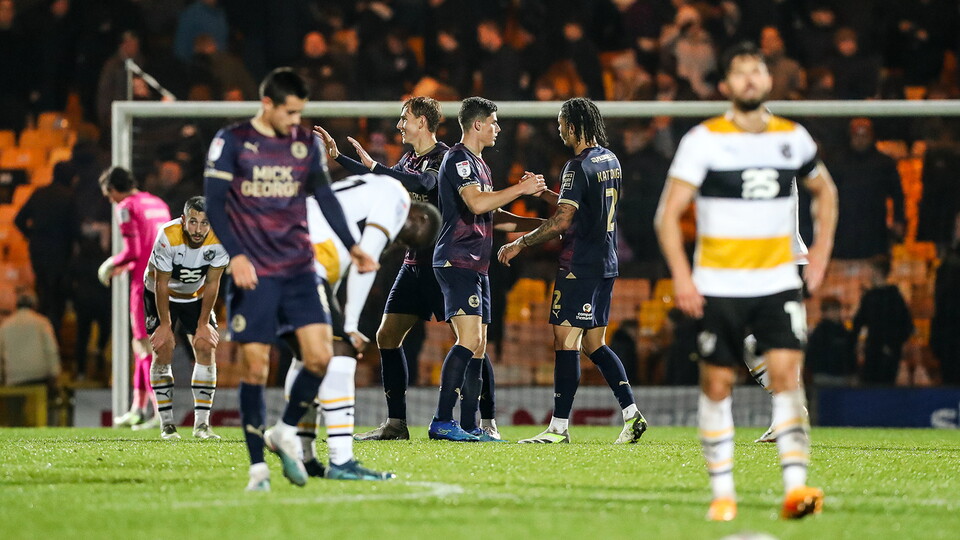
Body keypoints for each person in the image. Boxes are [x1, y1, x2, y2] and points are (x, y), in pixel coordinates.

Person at [655, 42, 838, 521]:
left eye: (758, 71)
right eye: (741, 73)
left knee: (787, 380)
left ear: (768, 80)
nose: (751, 80)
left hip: (777, 278)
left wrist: (818, 256)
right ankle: (723, 493)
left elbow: (827, 193)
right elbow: (668, 215)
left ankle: (796, 489)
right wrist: (682, 275)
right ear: (726, 85)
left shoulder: (792, 138)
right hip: (719, 282)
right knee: (716, 385)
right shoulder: (704, 139)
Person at [203, 67, 385, 492]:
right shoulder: (230, 142)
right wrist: (239, 256)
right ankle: (257, 471)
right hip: (255, 273)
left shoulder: (304, 143)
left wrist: (353, 245)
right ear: (267, 105)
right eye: (289, 113)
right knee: (255, 367)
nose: (295, 122)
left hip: (300, 269)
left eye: (300, 113)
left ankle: (285, 430)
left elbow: (324, 195)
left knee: (322, 356)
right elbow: (214, 206)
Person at [498, 97, 648, 445]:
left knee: (564, 342)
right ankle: (631, 414)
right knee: (594, 343)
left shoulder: (577, 165)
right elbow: (581, 207)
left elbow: (564, 221)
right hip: (606, 262)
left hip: (580, 263)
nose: (559, 128)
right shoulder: (610, 160)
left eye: (561, 122)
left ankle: (558, 428)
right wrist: (547, 193)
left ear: (574, 125)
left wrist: (521, 242)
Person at [313, 97, 453, 441]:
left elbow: (424, 185)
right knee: (386, 336)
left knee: (470, 340)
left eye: (404, 118)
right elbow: (385, 182)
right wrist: (339, 159)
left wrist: (377, 168)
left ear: (421, 121)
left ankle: (486, 420)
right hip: (412, 263)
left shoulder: (444, 156)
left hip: (443, 262)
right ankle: (396, 423)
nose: (399, 125)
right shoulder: (408, 159)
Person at [282, 173, 441, 477]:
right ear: (418, 217)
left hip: (285, 242)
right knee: (340, 348)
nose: (398, 240)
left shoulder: (368, 192)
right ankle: (339, 460)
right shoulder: (397, 199)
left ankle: (303, 453)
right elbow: (365, 259)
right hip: (304, 251)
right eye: (406, 238)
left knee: (305, 356)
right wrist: (351, 324)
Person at [428, 96, 546, 442]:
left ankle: (468, 426)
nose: (498, 128)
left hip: (476, 264)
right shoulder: (459, 160)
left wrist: (542, 223)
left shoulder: (480, 165)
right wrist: (522, 188)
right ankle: (440, 421)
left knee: (479, 346)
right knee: (470, 339)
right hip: (456, 259)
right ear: (477, 124)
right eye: (493, 122)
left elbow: (492, 217)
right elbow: (476, 202)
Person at [144, 196, 228, 441]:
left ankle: (201, 426)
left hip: (195, 296)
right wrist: (165, 325)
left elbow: (213, 283)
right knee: (164, 348)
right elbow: (161, 283)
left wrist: (203, 324)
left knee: (205, 345)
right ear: (183, 220)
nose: (198, 229)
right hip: (161, 294)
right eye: (193, 222)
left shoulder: (221, 238)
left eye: (204, 223)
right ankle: (167, 424)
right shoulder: (167, 235)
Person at [97, 166, 171, 429]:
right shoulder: (158, 204)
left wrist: (110, 263)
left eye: (109, 195)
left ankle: (160, 413)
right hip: (168, 282)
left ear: (114, 190)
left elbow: (133, 250)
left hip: (144, 285)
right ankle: (138, 409)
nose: (111, 201)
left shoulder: (127, 206)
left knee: (145, 347)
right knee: (142, 346)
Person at [14, 161, 77, 340]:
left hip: (38, 253)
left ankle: (39, 338)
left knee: (43, 295)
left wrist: (31, 235)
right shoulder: (69, 196)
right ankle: (52, 339)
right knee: (57, 302)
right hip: (60, 255)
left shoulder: (39, 193)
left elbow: (18, 220)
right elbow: (75, 229)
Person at [852, 257, 914, 385]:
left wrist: (891, 344)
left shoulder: (882, 297)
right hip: (879, 352)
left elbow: (857, 324)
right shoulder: (890, 296)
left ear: (878, 272)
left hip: (880, 352)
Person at [0, 292, 60, 400]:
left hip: (14, 377)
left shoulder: (5, 325)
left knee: (16, 414)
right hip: (39, 375)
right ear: (34, 305)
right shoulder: (42, 322)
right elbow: (51, 349)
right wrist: (54, 373)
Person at [806, 297, 857, 387]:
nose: (835, 313)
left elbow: (849, 353)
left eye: (836, 309)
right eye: (832, 310)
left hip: (838, 375)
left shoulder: (843, 331)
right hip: (825, 375)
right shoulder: (821, 332)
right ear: (824, 313)